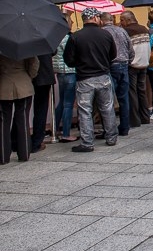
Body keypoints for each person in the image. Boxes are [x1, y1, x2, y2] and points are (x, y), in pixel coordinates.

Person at [63, 8, 118, 152]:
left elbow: (68, 59)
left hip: (85, 77)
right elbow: (113, 54)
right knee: (107, 108)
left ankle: (87, 142)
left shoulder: (76, 36)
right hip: (104, 76)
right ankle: (111, 137)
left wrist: (80, 63)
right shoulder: (106, 34)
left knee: (85, 110)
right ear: (94, 18)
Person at [100, 12, 134, 136]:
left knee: (108, 100)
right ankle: (124, 127)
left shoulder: (103, 32)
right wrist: (128, 61)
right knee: (124, 98)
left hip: (110, 66)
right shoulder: (122, 31)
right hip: (124, 65)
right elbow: (131, 49)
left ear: (101, 21)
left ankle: (109, 130)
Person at [0, 54, 39, 164]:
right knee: (23, 120)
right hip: (24, 84)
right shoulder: (25, 44)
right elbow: (34, 65)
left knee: (3, 122)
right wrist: (28, 77)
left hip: (4, 85)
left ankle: (3, 157)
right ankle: (24, 154)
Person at [119, 10, 151, 127]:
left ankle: (135, 120)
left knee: (132, 93)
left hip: (132, 64)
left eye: (122, 20)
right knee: (142, 91)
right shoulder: (144, 29)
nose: (120, 22)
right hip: (144, 63)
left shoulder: (127, 31)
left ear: (128, 20)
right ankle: (145, 117)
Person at [54, 15, 78, 142]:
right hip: (69, 71)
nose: (73, 22)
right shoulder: (68, 37)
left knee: (61, 102)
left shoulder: (54, 37)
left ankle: (55, 128)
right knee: (68, 103)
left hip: (59, 71)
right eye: (71, 20)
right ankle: (66, 133)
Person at [30, 53, 54, 154]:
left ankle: (15, 140)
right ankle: (37, 142)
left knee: (21, 110)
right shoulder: (44, 39)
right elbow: (54, 51)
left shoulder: (25, 39)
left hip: (30, 77)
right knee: (41, 110)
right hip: (44, 76)